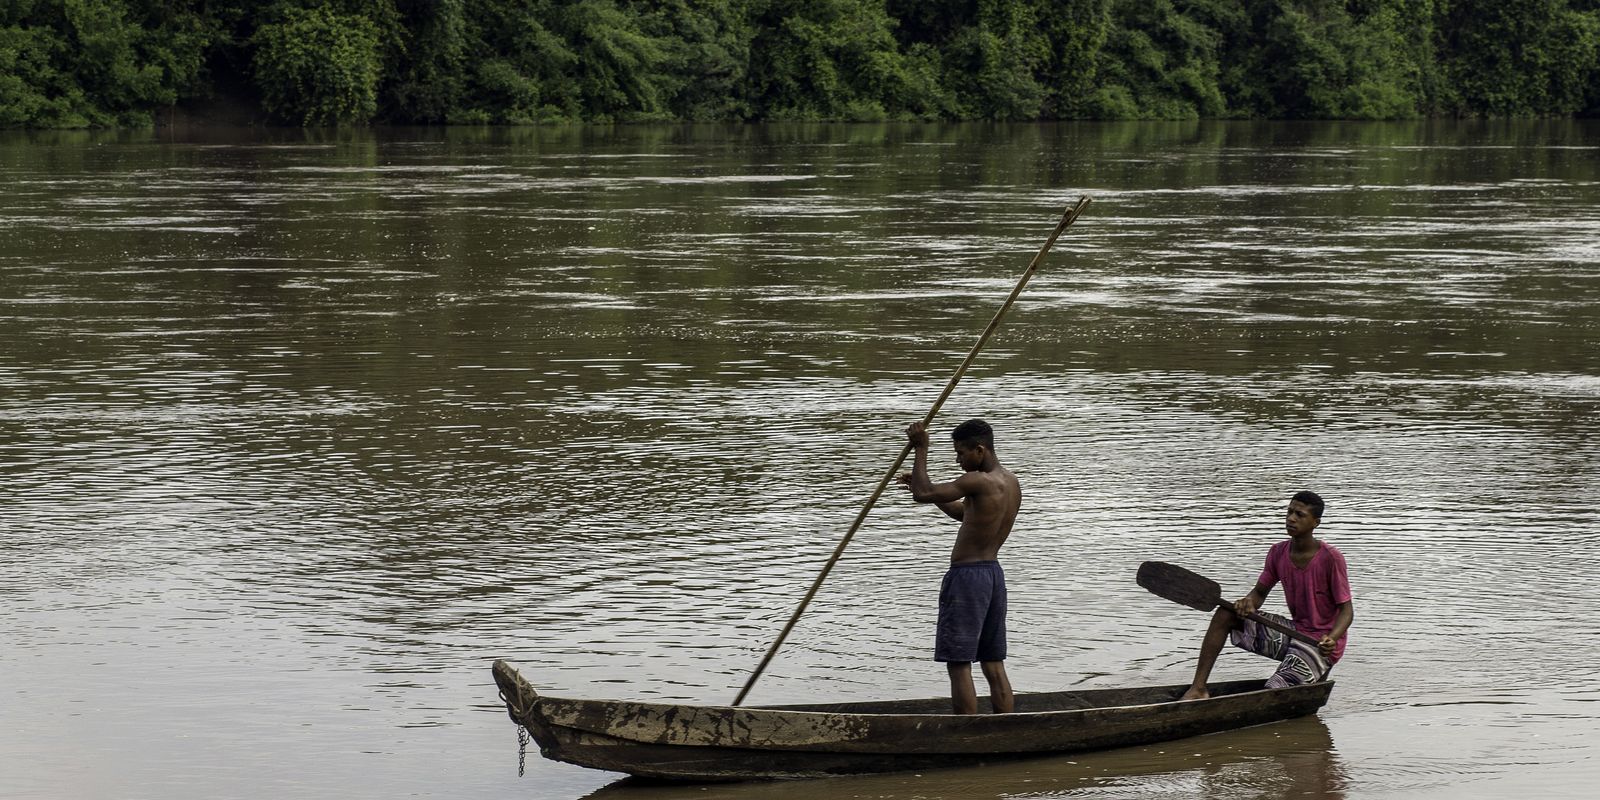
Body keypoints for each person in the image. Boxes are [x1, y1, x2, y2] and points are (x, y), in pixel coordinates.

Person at [1179, 490, 1353, 700]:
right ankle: (1198, 689)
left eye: (1299, 515)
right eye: (1289, 512)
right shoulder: (1277, 553)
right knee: (1226, 614)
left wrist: (1331, 639)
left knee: (1273, 691)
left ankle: (1314, 666)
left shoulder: (1331, 558)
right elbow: (1259, 593)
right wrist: (1248, 603)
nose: (1291, 518)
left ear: (1315, 522)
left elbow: (1346, 611)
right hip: (1294, 632)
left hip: (1320, 644)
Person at [898, 418, 1021, 714]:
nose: (958, 460)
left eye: (961, 453)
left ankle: (967, 732)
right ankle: (1007, 728)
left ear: (980, 450)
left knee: (959, 661)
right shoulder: (1011, 482)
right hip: (992, 575)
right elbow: (963, 514)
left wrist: (921, 448)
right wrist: (921, 485)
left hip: (968, 578)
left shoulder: (977, 481)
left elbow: (923, 493)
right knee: (992, 660)